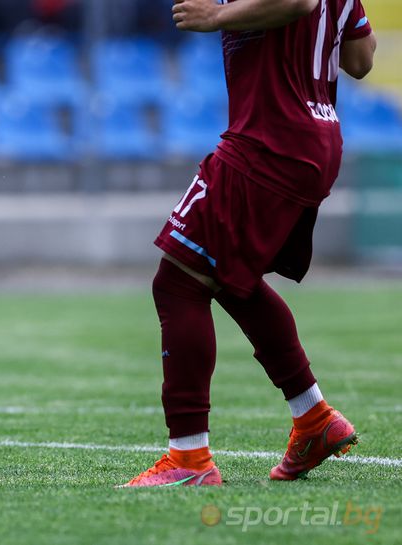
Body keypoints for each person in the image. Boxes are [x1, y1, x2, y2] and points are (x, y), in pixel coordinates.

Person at [122, 0, 377, 487]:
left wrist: (218, 17)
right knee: (228, 277)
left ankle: (189, 459)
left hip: (269, 140)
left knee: (178, 283)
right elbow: (361, 59)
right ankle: (314, 418)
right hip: (316, 139)